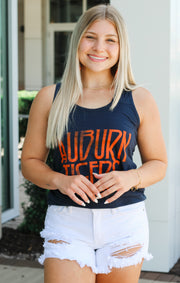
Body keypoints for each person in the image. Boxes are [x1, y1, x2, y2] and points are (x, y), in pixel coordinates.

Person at [21, 4, 167, 283]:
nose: (99, 47)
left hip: (124, 221)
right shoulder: (50, 97)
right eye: (90, 37)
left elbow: (158, 164)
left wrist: (131, 177)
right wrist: (59, 180)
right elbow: (29, 164)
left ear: (121, 47)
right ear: (77, 40)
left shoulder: (139, 99)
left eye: (110, 40)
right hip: (67, 221)